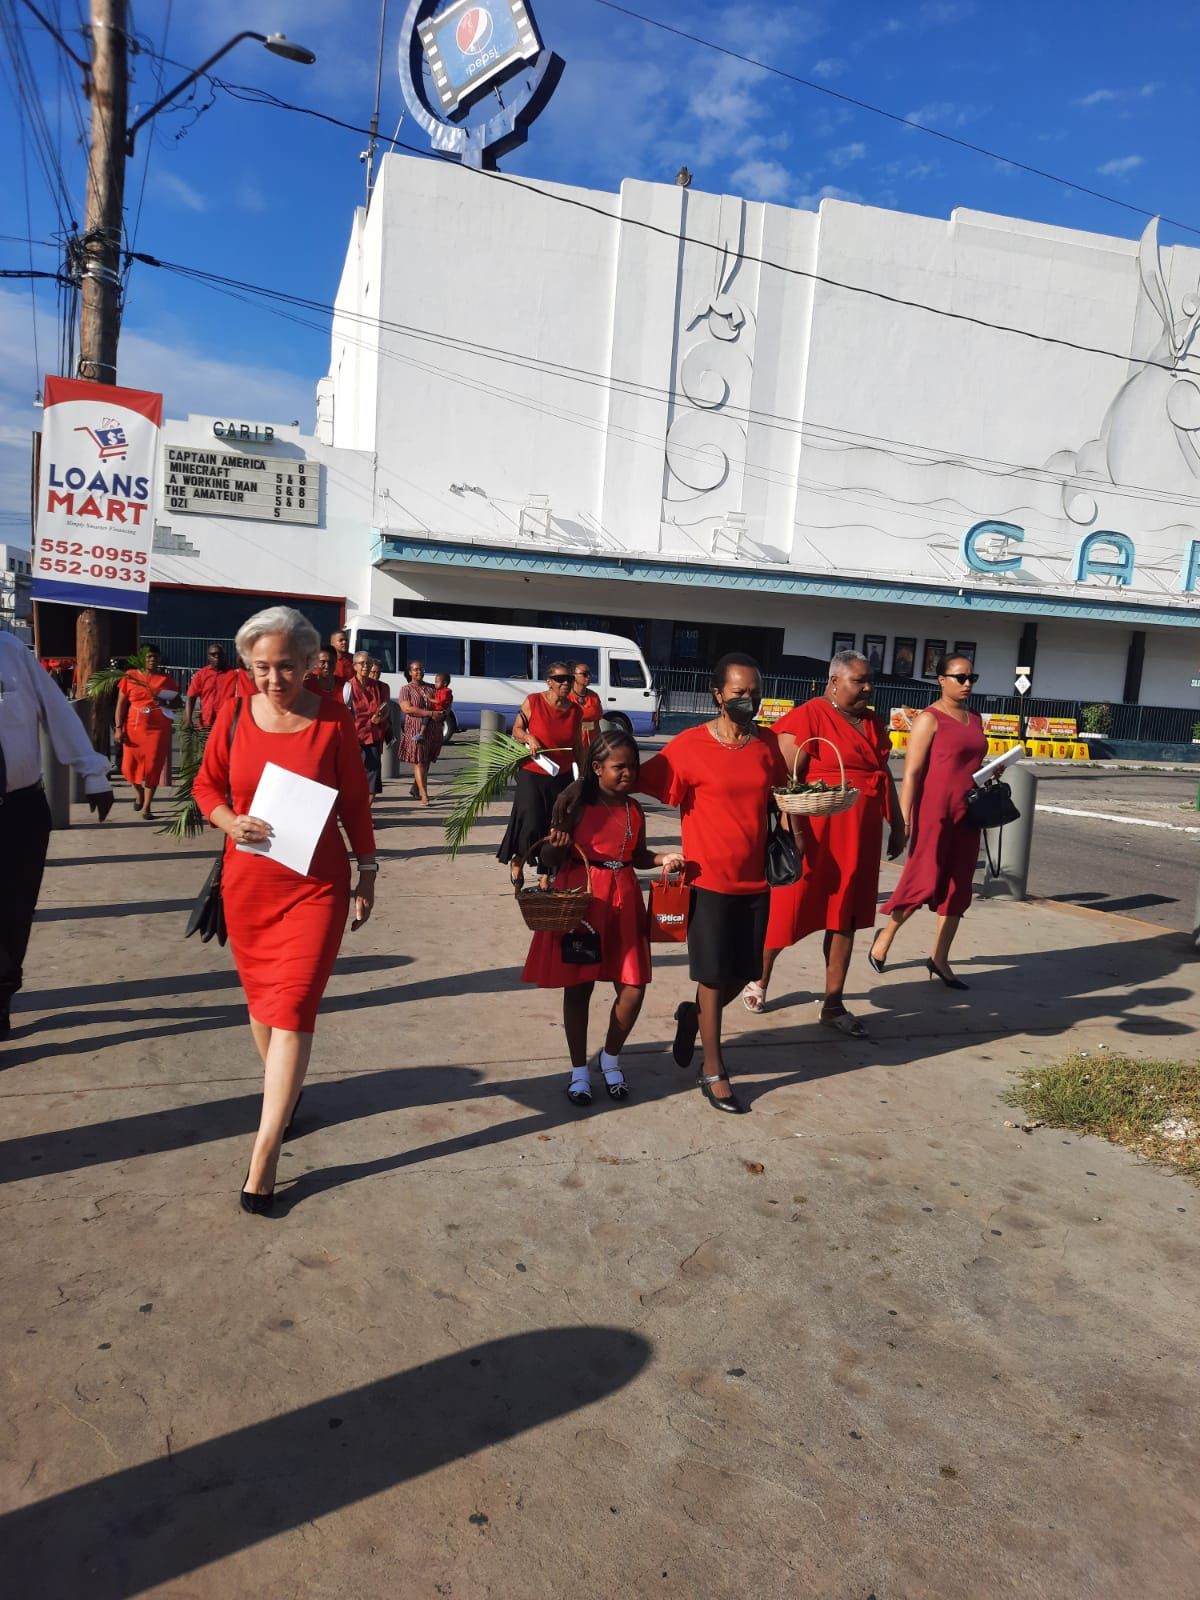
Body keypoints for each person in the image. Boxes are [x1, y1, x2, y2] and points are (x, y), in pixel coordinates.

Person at [192, 605, 377, 1214]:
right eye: (263, 668)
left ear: (309, 664)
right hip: (249, 885)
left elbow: (354, 801)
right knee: (263, 1006)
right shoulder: (233, 714)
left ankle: (264, 1153)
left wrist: (368, 871)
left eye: (288, 668)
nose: (275, 680)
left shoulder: (334, 722)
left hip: (315, 888)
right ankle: (286, 1093)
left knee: (294, 1006)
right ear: (248, 665)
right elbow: (206, 786)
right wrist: (227, 820)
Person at [556, 653, 785, 1114]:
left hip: (757, 880)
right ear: (718, 696)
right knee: (714, 976)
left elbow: (782, 796)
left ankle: (694, 1018)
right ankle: (713, 1070)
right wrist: (577, 798)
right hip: (706, 880)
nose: (749, 701)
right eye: (739, 693)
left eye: (755, 693)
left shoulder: (767, 746)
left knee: (745, 974)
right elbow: (629, 778)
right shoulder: (688, 747)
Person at [745, 651, 904, 1035]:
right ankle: (759, 979)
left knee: (845, 920)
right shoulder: (810, 715)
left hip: (859, 835)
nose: (867, 688)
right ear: (834, 682)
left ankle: (833, 1003)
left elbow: (882, 772)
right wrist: (795, 833)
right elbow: (783, 781)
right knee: (788, 912)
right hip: (812, 836)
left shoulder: (873, 722)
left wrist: (897, 822)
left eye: (870, 681)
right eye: (858, 681)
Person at [525, 729, 685, 1106]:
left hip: (624, 901)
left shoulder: (634, 809)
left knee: (633, 987)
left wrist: (663, 859)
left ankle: (610, 1058)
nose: (629, 773)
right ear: (597, 768)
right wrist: (553, 847)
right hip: (583, 901)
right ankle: (579, 1070)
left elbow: (638, 855)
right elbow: (548, 861)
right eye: (619, 767)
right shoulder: (574, 805)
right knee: (579, 988)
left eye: (633, 766)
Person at [0, 630, 114, 1037]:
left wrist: (93, 774)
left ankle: (2, 994)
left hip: (18, 811)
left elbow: (56, 711)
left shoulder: (10, 651)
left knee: (13, 912)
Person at [868, 655, 988, 988]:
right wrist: (903, 821)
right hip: (934, 814)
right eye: (960, 677)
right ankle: (885, 938)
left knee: (958, 888)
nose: (967, 684)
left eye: (971, 678)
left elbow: (971, 763)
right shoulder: (928, 719)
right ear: (941, 679)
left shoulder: (975, 718)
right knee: (922, 882)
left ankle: (940, 959)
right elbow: (911, 774)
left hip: (968, 814)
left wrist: (994, 771)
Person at [498, 660, 584, 887]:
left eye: (569, 679)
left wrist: (582, 778)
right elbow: (516, 729)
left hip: (562, 776)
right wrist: (528, 737)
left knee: (555, 827)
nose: (565, 683)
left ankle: (546, 877)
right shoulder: (534, 702)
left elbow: (577, 746)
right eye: (560, 679)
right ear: (549, 682)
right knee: (532, 824)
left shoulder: (576, 710)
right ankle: (517, 860)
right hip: (533, 773)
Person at [114, 645, 180, 820]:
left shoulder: (166, 679)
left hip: (158, 729)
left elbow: (177, 703)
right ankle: (139, 792)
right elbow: (121, 704)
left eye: (156, 657)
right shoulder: (130, 676)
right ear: (142, 658)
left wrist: (164, 702)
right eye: (149, 656)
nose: (153, 660)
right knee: (128, 768)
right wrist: (119, 728)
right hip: (133, 727)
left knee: (152, 767)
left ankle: (146, 807)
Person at [343, 650, 388, 802]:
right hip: (353, 739)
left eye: (368, 663)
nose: (366, 666)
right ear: (354, 666)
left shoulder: (378, 687)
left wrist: (381, 717)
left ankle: (366, 814)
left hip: (372, 738)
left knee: (372, 780)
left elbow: (386, 709)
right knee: (351, 779)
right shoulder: (347, 687)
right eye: (362, 663)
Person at [398, 659, 441, 805]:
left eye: (421, 669)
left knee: (426, 760)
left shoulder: (431, 688)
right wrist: (429, 713)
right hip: (415, 729)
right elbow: (407, 709)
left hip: (432, 729)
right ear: (410, 672)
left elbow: (442, 701)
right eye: (416, 669)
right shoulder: (406, 689)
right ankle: (424, 794)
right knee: (419, 761)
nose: (419, 672)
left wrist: (443, 710)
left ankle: (416, 788)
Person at [185, 644, 237, 731]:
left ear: (225, 656)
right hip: (206, 725)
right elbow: (191, 696)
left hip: (227, 725)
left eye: (220, 654)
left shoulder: (235, 675)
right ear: (208, 657)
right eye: (213, 654)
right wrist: (188, 719)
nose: (217, 656)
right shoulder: (200, 675)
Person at [570, 661, 603, 750]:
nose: (588, 677)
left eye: (589, 674)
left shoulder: (594, 696)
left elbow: (596, 724)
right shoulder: (567, 697)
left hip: (591, 742)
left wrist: (600, 742)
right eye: (584, 674)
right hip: (574, 742)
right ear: (574, 676)